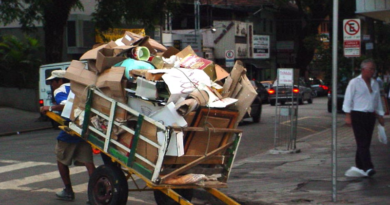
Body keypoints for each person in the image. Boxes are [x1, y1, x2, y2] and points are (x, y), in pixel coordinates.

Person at [40, 70, 95, 201]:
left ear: (59, 81)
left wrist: (50, 108)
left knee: (61, 159)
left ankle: (68, 190)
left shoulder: (61, 89)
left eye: (53, 81)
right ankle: (94, 192)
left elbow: (67, 106)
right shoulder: (81, 88)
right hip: (86, 128)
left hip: (71, 128)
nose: (52, 85)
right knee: (88, 162)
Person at [343, 59, 385, 177]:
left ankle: (359, 165)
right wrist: (348, 115)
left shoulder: (374, 83)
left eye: (373, 69)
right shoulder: (354, 82)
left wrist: (380, 115)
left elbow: (377, 101)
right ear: (363, 70)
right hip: (358, 114)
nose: (372, 71)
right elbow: (348, 99)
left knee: (365, 142)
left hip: (370, 115)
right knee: (362, 142)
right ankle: (368, 167)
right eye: (370, 69)